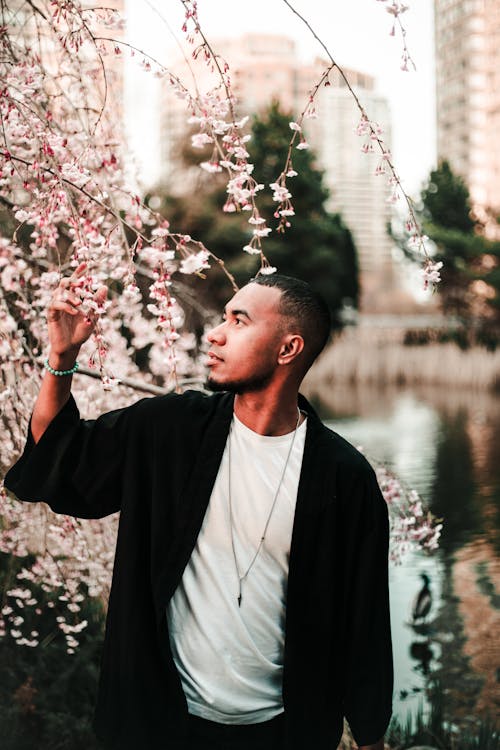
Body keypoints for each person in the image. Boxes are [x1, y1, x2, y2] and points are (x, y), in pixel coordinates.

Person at [5, 268, 393, 750]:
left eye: (238, 321)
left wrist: (371, 735)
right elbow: (57, 463)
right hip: (160, 723)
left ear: (288, 349)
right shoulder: (170, 429)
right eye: (222, 318)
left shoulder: (344, 477)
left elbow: (365, 621)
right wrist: (62, 357)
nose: (215, 332)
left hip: (284, 731)